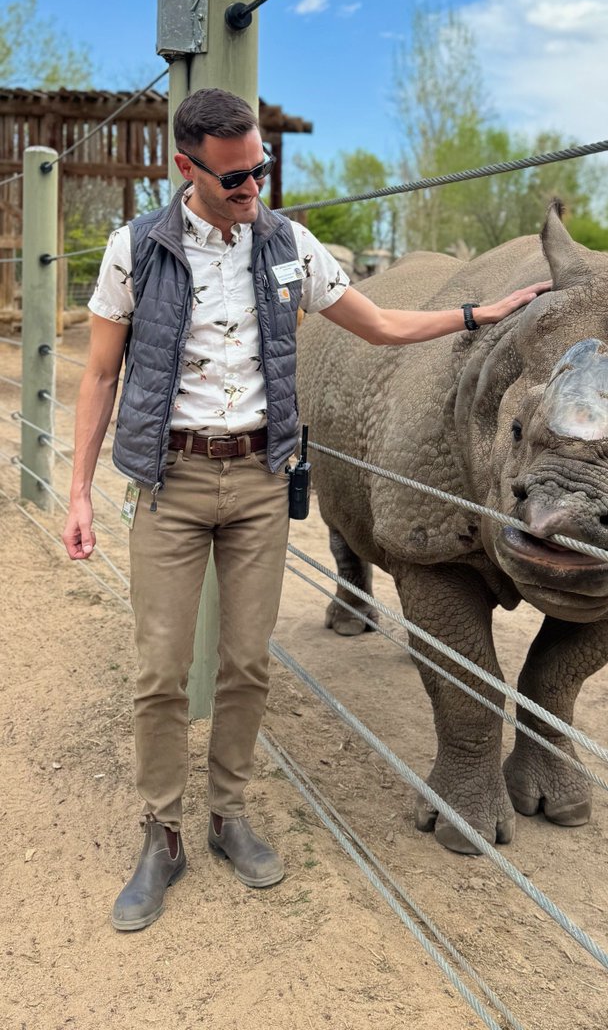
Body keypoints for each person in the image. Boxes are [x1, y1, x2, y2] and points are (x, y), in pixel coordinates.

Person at [62, 87, 548, 932]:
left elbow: (382, 324)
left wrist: (479, 313)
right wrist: (78, 491)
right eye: (235, 176)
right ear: (188, 168)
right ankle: (161, 834)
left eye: (261, 169)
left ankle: (228, 816)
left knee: (250, 663)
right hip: (171, 483)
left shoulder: (288, 244)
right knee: (159, 671)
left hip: (257, 482)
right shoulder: (135, 250)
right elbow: (100, 373)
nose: (253, 186)